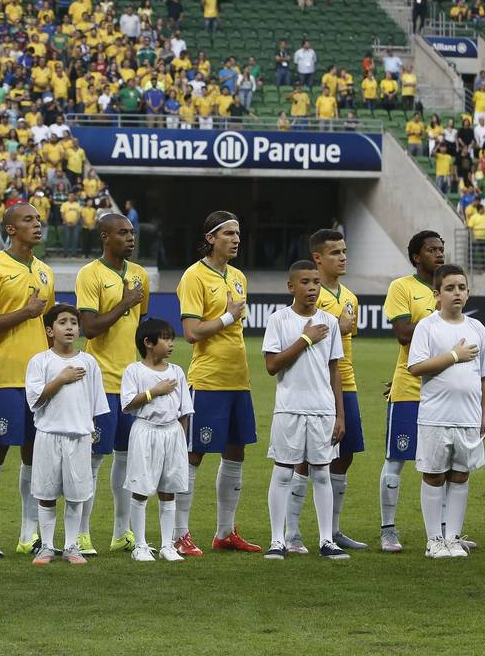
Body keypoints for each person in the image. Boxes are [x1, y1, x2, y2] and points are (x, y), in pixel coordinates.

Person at [0, 203, 55, 557]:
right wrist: (25, 312)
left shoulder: (46, 272)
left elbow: (47, 327)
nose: (37, 224)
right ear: (10, 229)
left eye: (38, 219)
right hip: (4, 376)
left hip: (40, 381)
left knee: (34, 455)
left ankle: (28, 535)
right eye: (28, 220)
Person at [176, 211, 259, 555]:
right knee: (193, 454)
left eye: (238, 233)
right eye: (228, 233)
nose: (236, 239)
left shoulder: (238, 277)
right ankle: (179, 534)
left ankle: (225, 532)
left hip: (238, 379)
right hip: (207, 380)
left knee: (236, 451)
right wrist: (227, 316)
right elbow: (191, 332)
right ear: (211, 238)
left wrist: (230, 319)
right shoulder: (194, 276)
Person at [407, 264, 485, 559]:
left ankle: (453, 538)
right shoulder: (427, 327)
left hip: (468, 417)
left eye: (461, 287)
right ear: (437, 294)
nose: (456, 292)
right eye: (449, 288)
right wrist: (454, 356)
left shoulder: (477, 328)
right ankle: (434, 540)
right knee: (434, 476)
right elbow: (416, 367)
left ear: (468, 292)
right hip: (435, 416)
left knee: (460, 476)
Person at [262, 260, 349, 560]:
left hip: (323, 411)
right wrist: (305, 339)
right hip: (289, 409)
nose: (312, 288)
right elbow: (272, 366)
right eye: (305, 282)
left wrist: (340, 415)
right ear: (291, 286)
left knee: (322, 474)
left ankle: (326, 541)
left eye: (316, 282)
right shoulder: (279, 320)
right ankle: (277, 540)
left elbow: (334, 371)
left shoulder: (330, 322)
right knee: (283, 472)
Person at [75, 213, 150, 555]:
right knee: (93, 459)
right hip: (100, 382)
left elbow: (140, 328)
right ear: (105, 237)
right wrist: (125, 302)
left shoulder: (139, 275)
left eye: (132, 232)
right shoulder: (90, 274)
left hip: (131, 383)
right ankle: (81, 534)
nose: (130, 237)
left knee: (127, 458)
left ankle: (122, 532)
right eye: (122, 233)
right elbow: (89, 328)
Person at [25, 305, 110, 566]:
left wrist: (89, 430)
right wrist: (61, 378)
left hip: (79, 437)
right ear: (50, 330)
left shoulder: (89, 362)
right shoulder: (39, 361)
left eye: (74, 322)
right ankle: (47, 546)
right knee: (46, 493)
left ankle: (72, 545)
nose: (70, 327)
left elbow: (95, 403)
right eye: (62, 322)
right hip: (48, 435)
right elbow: (35, 399)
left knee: (76, 494)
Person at [377, 231, 446, 552]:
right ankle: (388, 529)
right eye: (432, 250)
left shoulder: (449, 288)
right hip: (409, 387)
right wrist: (441, 314)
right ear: (417, 257)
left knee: (443, 464)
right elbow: (404, 334)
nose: (439, 254)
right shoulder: (402, 287)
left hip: (445, 391)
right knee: (397, 459)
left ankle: (444, 531)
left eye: (441, 249)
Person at [298, 229, 365, 552]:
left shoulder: (350, 297)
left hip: (346, 384)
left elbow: (344, 349)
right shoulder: (311, 293)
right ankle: (292, 532)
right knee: (304, 459)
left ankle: (334, 530)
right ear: (318, 258)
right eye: (335, 252)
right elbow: (300, 336)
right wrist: (337, 326)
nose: (343, 257)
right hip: (315, 386)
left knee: (345, 455)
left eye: (344, 251)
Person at [120, 319, 193, 563]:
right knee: (141, 489)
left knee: (168, 490)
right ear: (148, 343)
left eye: (172, 338)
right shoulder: (134, 371)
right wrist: (154, 392)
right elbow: (127, 404)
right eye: (166, 338)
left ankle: (167, 545)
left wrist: (181, 441)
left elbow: (184, 410)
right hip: (146, 432)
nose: (171, 343)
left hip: (172, 433)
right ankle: (140, 545)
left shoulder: (177, 372)